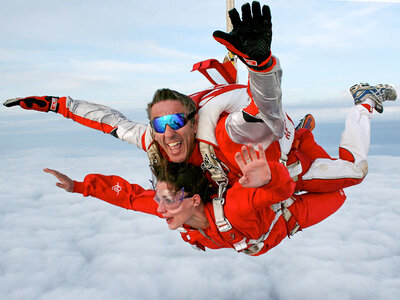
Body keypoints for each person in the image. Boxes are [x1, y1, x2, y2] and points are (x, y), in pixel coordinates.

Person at [3, 2, 397, 194]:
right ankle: (231, 64)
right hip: (235, 106)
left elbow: (265, 110)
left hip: (281, 143)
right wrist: (58, 105)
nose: (168, 133)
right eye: (160, 125)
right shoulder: (158, 138)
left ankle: (363, 100)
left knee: (357, 172)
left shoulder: (227, 131)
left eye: (176, 123)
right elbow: (110, 121)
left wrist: (261, 66)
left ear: (192, 122)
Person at [44, 144, 346, 256]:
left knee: (341, 192)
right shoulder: (176, 209)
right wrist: (79, 186)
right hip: (276, 229)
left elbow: (279, 192)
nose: (159, 208)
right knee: (336, 193)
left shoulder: (235, 206)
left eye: (168, 200)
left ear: (196, 200)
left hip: (289, 213)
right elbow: (131, 196)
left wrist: (269, 177)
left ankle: (302, 140)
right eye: (160, 198)